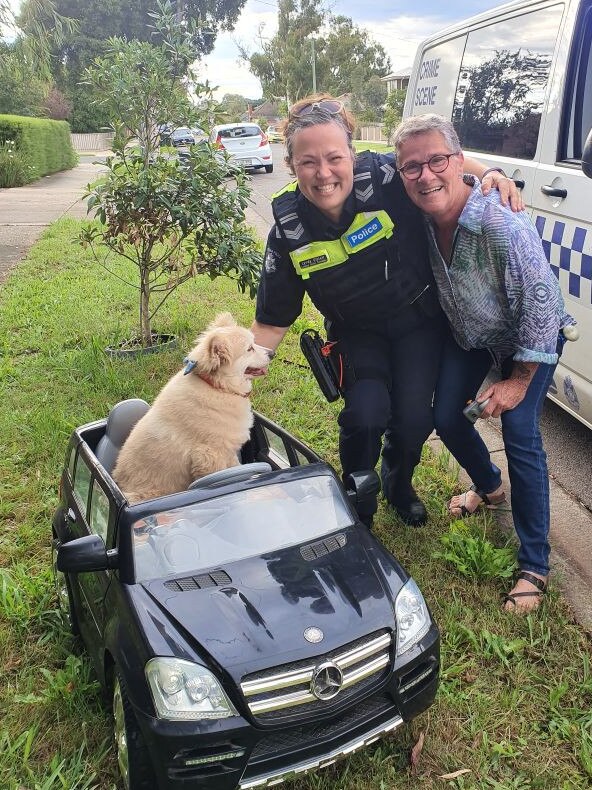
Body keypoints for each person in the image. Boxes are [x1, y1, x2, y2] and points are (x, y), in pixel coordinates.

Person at [251, 95, 521, 529]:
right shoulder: (289, 228)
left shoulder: (381, 176)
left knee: (415, 417)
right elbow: (272, 319)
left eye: (334, 158)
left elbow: (436, 161)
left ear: (352, 155)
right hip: (356, 333)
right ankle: (359, 503)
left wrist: (491, 173)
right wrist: (240, 371)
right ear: (291, 165)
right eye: (308, 163)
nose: (324, 174)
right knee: (366, 413)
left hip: (417, 323)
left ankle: (398, 483)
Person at [392, 113, 576, 612]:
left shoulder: (502, 225)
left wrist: (517, 381)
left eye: (437, 161)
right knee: (447, 416)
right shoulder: (420, 215)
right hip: (472, 335)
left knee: (519, 431)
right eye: (413, 167)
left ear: (457, 160)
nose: (426, 175)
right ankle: (491, 488)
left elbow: (542, 308)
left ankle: (535, 564)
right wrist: (488, 171)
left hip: (528, 341)